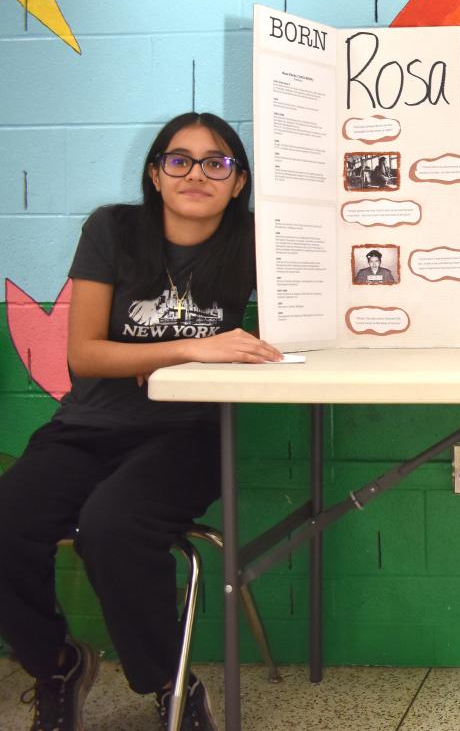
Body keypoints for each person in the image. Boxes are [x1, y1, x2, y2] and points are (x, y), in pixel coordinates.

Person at [0, 112, 283, 731]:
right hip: (91, 424)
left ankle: (168, 683)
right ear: (155, 174)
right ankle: (56, 666)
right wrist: (192, 347)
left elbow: (320, 311)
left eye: (218, 162)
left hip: (189, 434)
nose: (197, 174)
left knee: (112, 525)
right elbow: (86, 354)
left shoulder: (257, 242)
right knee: (6, 519)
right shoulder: (113, 229)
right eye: (178, 160)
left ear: (239, 183)